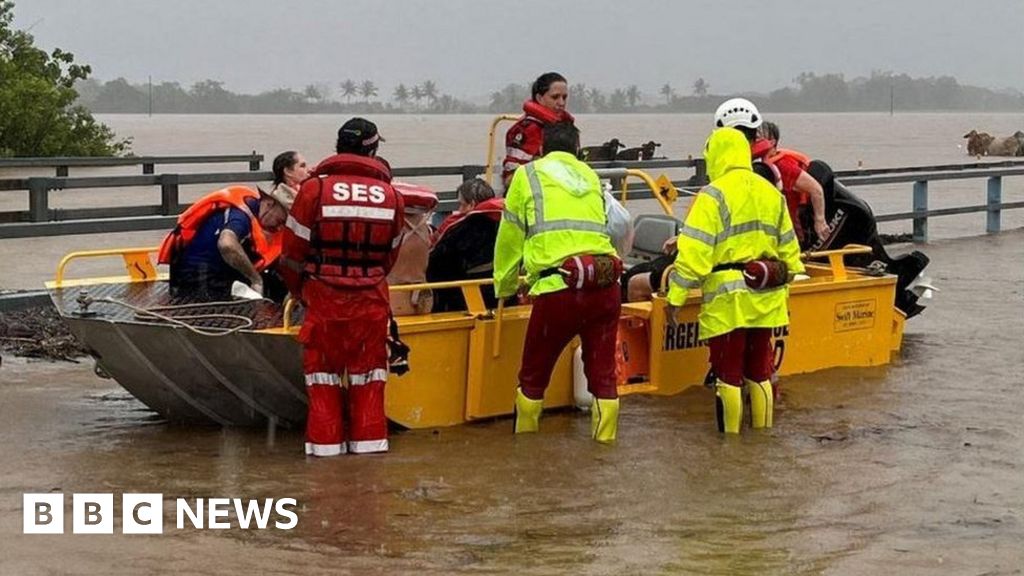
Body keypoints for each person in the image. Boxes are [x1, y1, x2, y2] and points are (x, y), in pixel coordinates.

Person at [665, 114, 804, 434]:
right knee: (759, 370)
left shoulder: (713, 195)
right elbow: (791, 256)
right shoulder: (771, 192)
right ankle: (762, 437)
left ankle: (731, 444)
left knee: (727, 374)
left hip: (728, 300)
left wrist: (676, 297)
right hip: (766, 292)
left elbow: (695, 256)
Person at [279, 118, 405, 457]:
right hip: (371, 304)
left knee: (323, 387)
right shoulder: (392, 196)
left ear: (338, 146)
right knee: (369, 389)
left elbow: (290, 256)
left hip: (323, 301)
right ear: (374, 149)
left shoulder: (313, 190)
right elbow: (391, 256)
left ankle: (326, 474)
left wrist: (299, 291)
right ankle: (367, 477)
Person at [494, 121, 623, 443]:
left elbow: (510, 237)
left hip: (559, 290)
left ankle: (525, 448)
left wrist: (505, 286)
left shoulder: (529, 175)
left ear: (541, 148)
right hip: (605, 287)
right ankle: (604, 449)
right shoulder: (591, 176)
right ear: (578, 149)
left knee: (534, 376)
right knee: (604, 377)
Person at [159, 182, 294, 301]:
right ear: (269, 205)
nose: (279, 227)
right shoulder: (240, 217)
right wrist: (255, 280)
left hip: (220, 274)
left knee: (275, 284)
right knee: (256, 291)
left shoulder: (255, 214)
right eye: (280, 221)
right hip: (197, 279)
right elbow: (227, 244)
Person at [428, 179, 504, 312]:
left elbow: (437, 262)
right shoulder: (506, 222)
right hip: (500, 296)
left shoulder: (460, 227)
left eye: (461, 204)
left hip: (462, 299)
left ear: (472, 204)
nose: (459, 210)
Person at [752, 120, 831, 248]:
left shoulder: (783, 165)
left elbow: (816, 190)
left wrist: (820, 221)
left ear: (772, 142)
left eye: (758, 138)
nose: (754, 142)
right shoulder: (760, 167)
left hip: (792, 232)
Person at [501, 72, 574, 188]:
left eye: (564, 97)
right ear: (539, 98)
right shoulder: (527, 129)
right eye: (555, 97)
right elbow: (511, 178)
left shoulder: (567, 126)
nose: (561, 103)